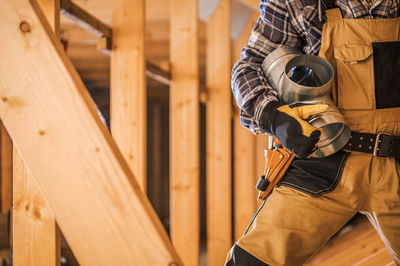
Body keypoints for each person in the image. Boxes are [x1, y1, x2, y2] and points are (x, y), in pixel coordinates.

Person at [226, 0, 400, 265]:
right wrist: (274, 117)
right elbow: (249, 68)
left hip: (396, 159)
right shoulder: (297, 3)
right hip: (322, 163)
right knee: (253, 261)